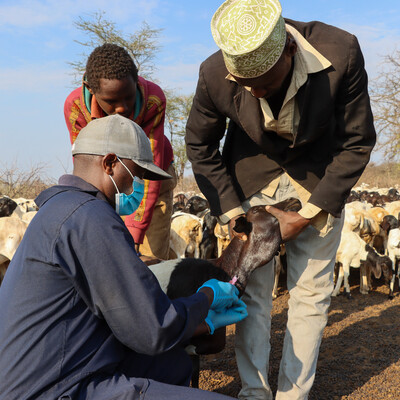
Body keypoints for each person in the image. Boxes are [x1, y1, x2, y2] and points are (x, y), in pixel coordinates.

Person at [185, 0, 376, 399]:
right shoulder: (214, 73)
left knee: (310, 297)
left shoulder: (341, 53)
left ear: (289, 49)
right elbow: (199, 146)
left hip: (317, 184)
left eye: (265, 84)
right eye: (245, 83)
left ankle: (293, 395)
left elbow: (357, 141)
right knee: (251, 293)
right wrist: (235, 213)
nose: (254, 92)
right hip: (251, 185)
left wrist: (308, 214)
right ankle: (254, 391)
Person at [0, 115, 247, 400]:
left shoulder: (59, 208)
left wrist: (195, 318)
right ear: (110, 164)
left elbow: (132, 315)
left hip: (49, 367)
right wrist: (206, 298)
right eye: (137, 174)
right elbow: (152, 328)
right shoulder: (90, 218)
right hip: (58, 387)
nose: (139, 185)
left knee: (173, 364)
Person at [64, 43, 175, 261]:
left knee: (150, 262)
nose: (122, 108)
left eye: (128, 97)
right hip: (106, 182)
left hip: (153, 179)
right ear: (90, 88)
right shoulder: (75, 107)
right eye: (111, 101)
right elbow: (85, 167)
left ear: (136, 80)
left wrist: (134, 234)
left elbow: (150, 169)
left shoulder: (153, 99)